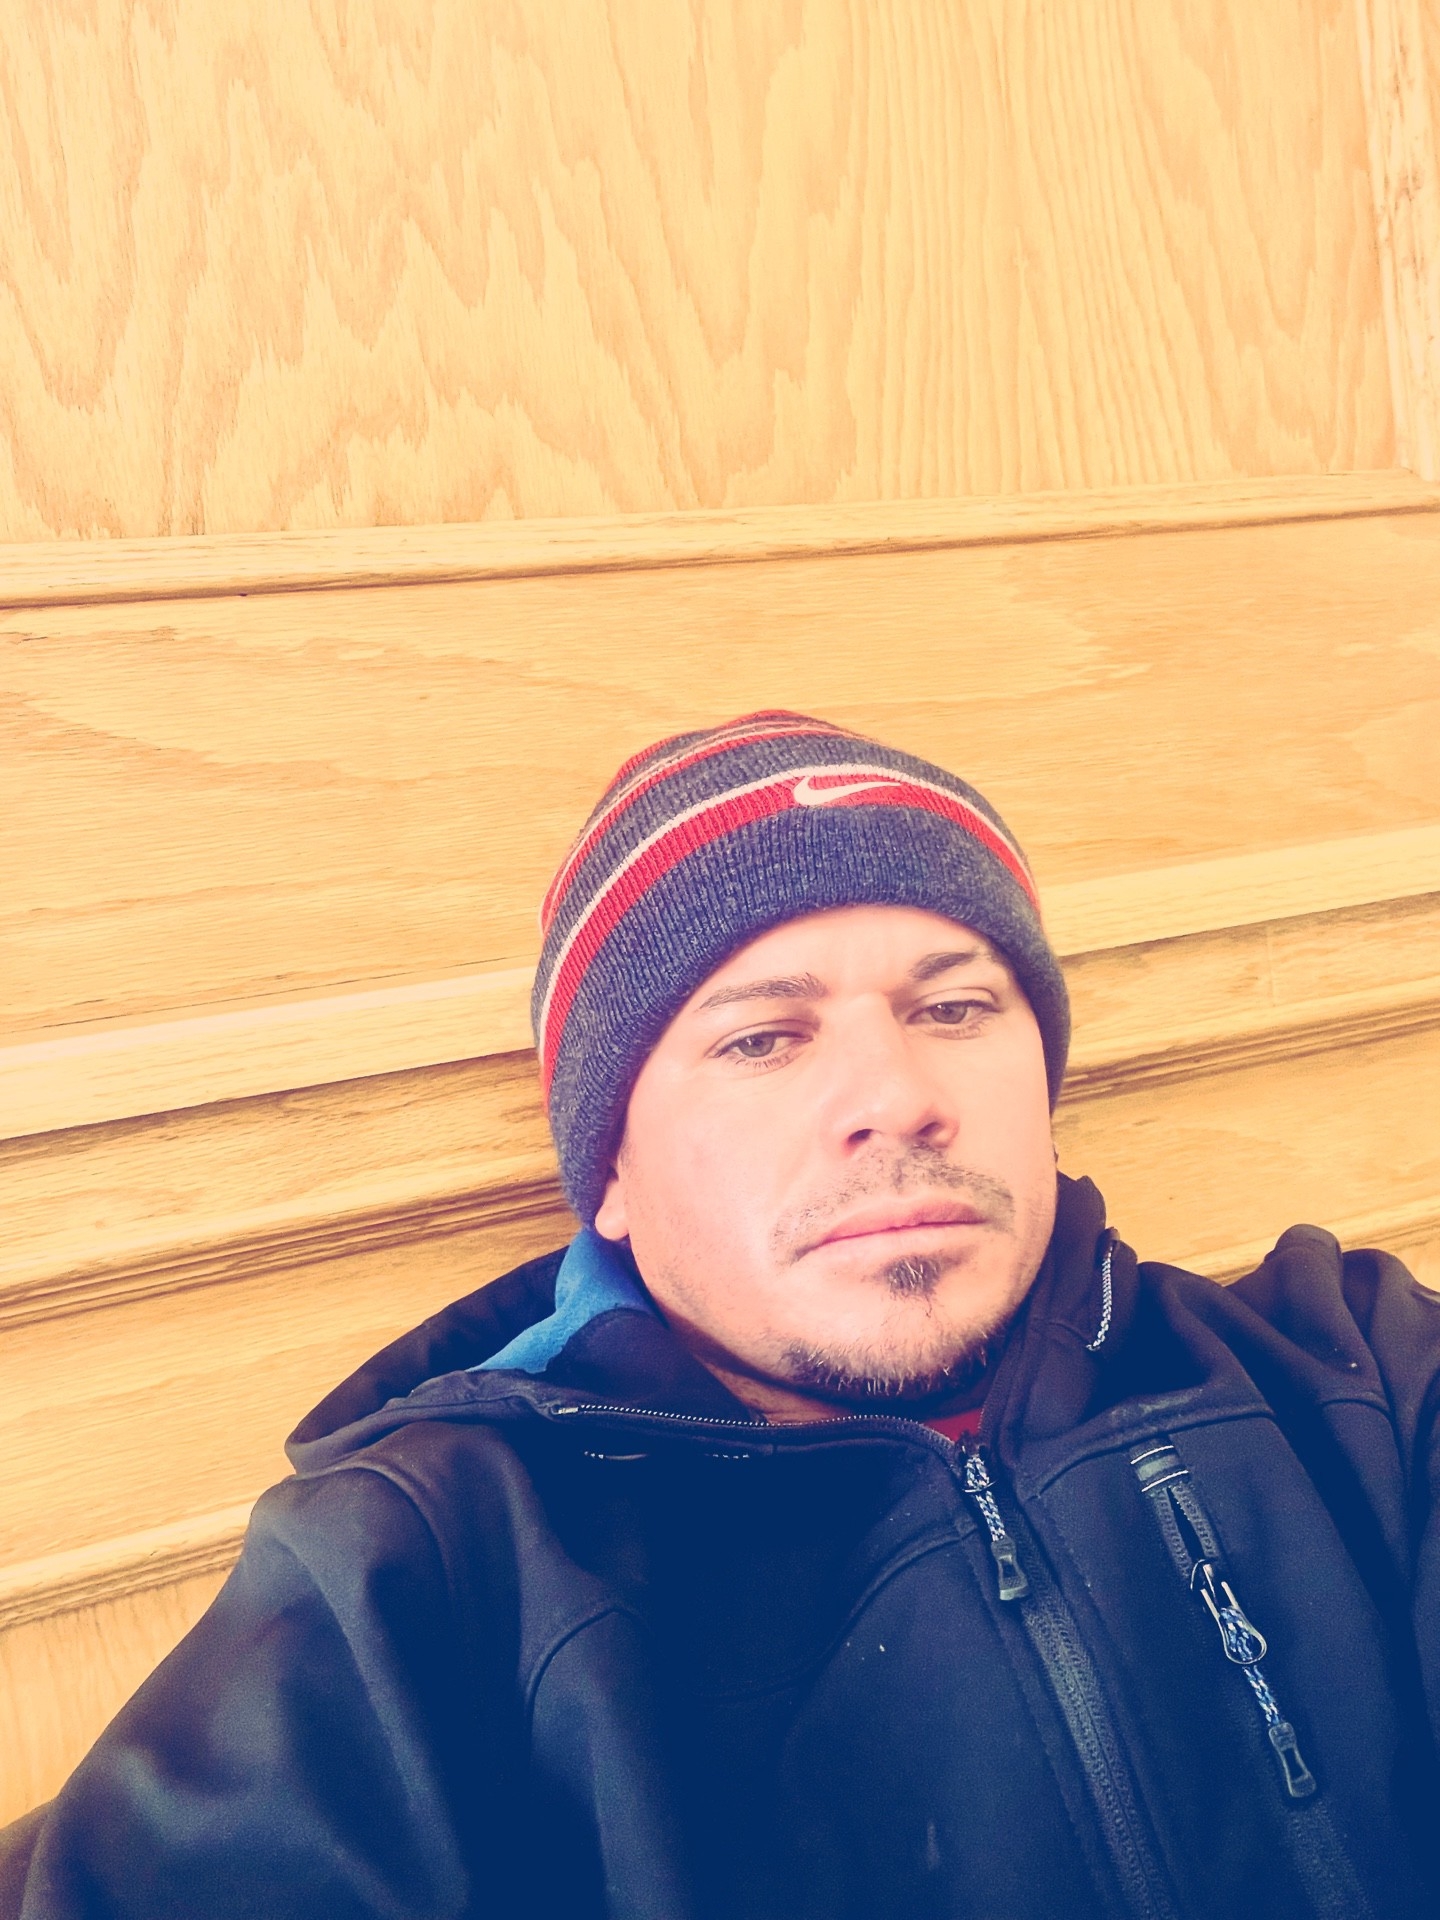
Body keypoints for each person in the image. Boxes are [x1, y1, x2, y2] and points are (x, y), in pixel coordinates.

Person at [14, 711, 1440, 1919]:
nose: (897, 1096)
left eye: (955, 1009)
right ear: (610, 1175)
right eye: (764, 1038)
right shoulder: (420, 1576)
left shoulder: (1347, 1371)